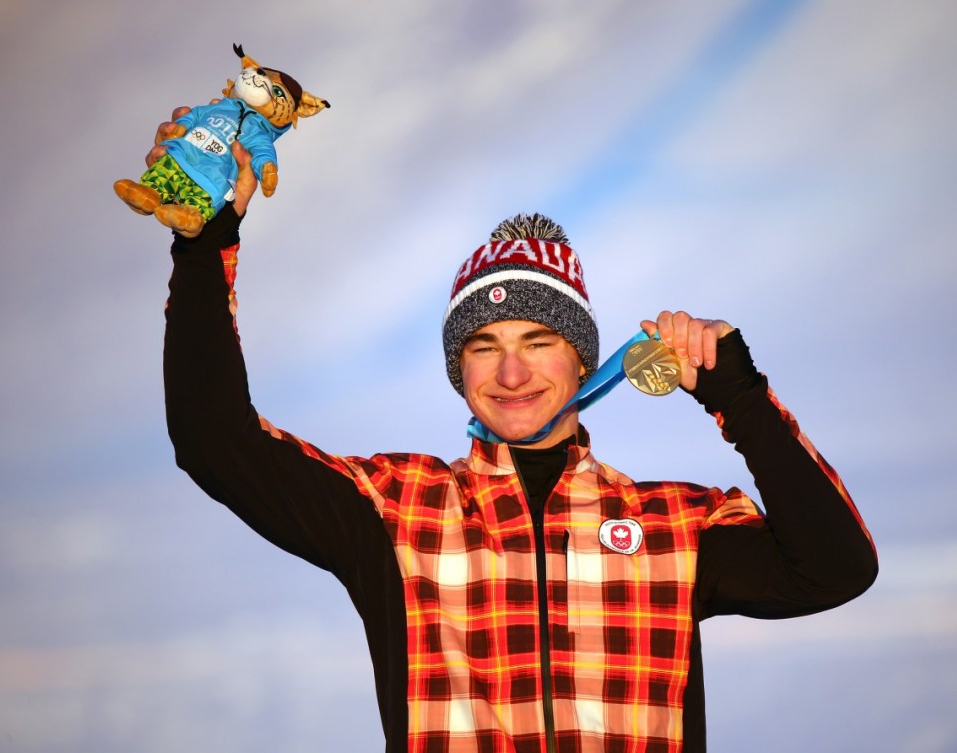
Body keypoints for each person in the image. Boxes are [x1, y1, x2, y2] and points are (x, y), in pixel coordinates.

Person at [158, 111, 877, 753]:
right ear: (457, 367)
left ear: (581, 358)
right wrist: (204, 247)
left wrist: (737, 396)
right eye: (482, 345)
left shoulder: (673, 526)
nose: (511, 372)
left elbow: (836, 567)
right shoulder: (393, 510)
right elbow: (214, 440)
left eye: (538, 340)